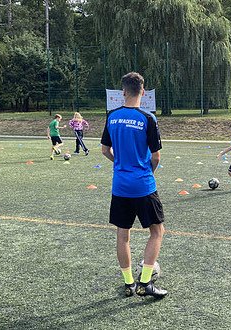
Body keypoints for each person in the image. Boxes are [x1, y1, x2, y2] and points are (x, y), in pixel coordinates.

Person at [101, 72, 167, 298]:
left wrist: (120, 163)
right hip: (143, 185)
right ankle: (145, 282)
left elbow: (104, 150)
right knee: (157, 231)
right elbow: (156, 157)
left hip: (120, 185)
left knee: (123, 234)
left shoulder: (112, 117)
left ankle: (129, 284)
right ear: (143, 92)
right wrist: (146, 172)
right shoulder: (148, 118)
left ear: (123, 92)